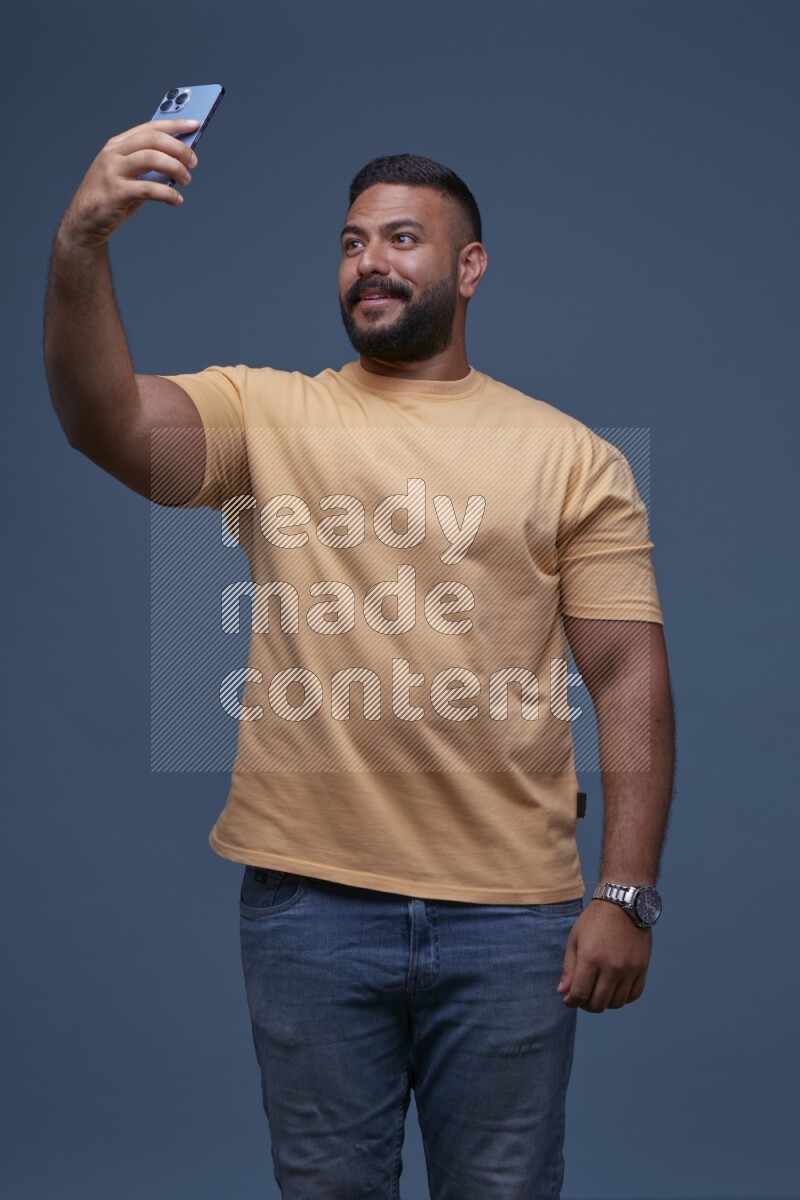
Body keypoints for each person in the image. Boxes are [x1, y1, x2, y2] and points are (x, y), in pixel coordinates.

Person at [44, 117, 675, 1200]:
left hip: (510, 918)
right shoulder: (267, 414)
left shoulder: (571, 455)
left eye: (400, 239)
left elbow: (627, 679)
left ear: (467, 267)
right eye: (349, 243)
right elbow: (101, 421)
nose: (369, 262)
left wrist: (625, 891)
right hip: (309, 912)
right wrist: (80, 249)